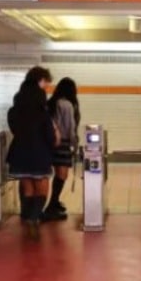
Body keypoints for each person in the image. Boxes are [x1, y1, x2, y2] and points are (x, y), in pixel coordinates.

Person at [7, 66, 56, 239]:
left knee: (28, 187)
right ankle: (34, 217)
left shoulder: (15, 108)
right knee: (42, 186)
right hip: (39, 153)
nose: (47, 87)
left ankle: (28, 216)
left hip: (19, 152)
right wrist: (53, 142)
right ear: (40, 80)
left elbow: (14, 128)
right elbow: (49, 134)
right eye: (46, 83)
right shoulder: (41, 110)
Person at [44, 77, 80, 220]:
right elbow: (70, 127)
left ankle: (54, 202)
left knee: (58, 174)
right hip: (63, 144)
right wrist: (75, 143)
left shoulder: (51, 103)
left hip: (51, 144)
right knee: (62, 175)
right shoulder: (67, 105)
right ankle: (51, 206)